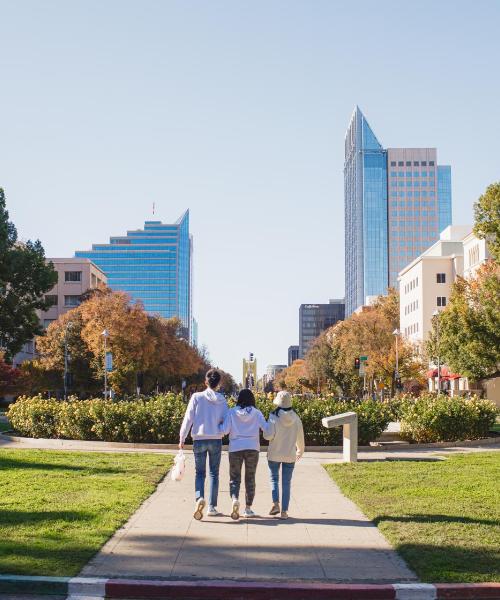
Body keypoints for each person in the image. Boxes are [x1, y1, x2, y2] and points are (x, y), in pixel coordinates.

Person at [179, 368, 228, 520]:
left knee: (199, 473)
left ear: (206, 382)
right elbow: (227, 422)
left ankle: (199, 498)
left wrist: (182, 437)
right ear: (219, 383)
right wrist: (221, 431)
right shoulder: (222, 400)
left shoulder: (196, 397)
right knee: (214, 473)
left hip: (198, 439)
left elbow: (188, 418)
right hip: (215, 439)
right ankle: (212, 507)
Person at [219, 388, 270, 520]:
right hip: (252, 448)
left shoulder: (231, 412)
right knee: (250, 478)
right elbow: (266, 429)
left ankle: (235, 499)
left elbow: (224, 430)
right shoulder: (257, 413)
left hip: (235, 447)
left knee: (234, 478)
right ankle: (248, 508)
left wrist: (217, 425)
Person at [264, 390, 305, 519]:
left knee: (274, 479)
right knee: (286, 483)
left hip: (274, 453)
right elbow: (300, 438)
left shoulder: (273, 416)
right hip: (290, 454)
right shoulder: (296, 418)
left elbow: (268, 435)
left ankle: (275, 504)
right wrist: (300, 450)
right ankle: (284, 512)